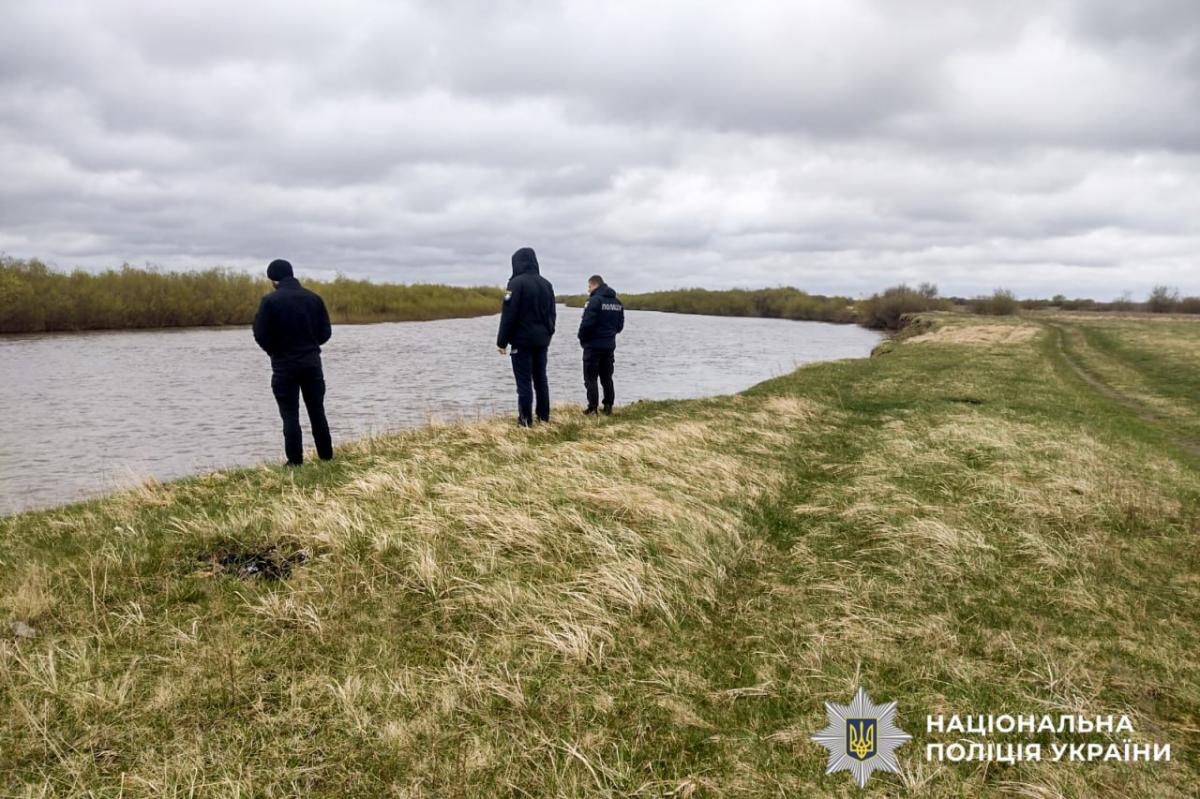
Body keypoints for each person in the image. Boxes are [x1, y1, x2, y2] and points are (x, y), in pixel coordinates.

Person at [252, 259, 334, 465]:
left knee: (290, 415)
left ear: (273, 279)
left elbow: (260, 334)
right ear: (292, 274)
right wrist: (311, 345)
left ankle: (295, 461)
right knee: (317, 411)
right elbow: (326, 332)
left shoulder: (270, 302)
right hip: (312, 363)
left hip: (284, 366)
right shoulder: (314, 299)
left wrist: (274, 351)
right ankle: (326, 456)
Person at [496, 247, 556, 426]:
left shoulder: (515, 284)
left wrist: (502, 342)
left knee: (523, 382)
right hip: (542, 340)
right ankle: (543, 417)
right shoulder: (546, 284)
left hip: (521, 341)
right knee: (541, 379)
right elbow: (552, 314)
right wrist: (549, 333)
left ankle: (525, 420)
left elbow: (509, 315)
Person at [577, 274, 625, 415]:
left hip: (593, 346)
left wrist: (582, 339)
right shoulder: (617, 303)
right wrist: (609, 335)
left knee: (590, 378)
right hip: (609, 345)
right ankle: (608, 406)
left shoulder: (594, 301)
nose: (588, 290)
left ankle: (593, 407)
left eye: (589, 286)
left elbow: (586, 324)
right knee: (606, 377)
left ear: (594, 285)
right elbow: (620, 326)